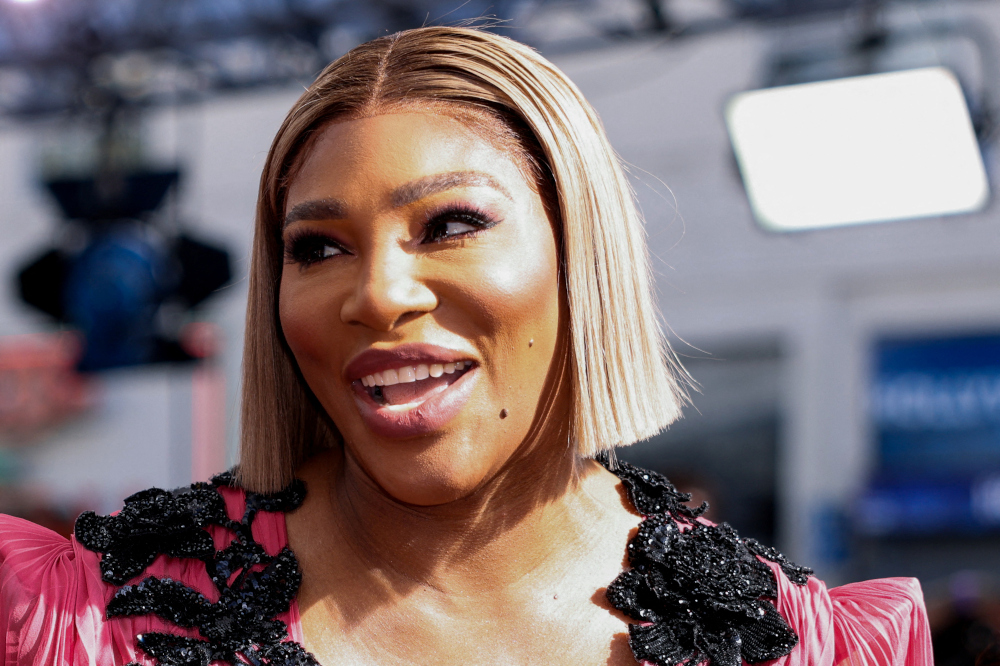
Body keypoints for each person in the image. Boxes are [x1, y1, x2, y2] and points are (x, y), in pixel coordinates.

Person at [0, 26, 932, 666]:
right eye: (317, 248)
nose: (377, 294)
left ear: (580, 254)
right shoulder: (70, 623)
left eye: (449, 225)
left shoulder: (811, 646)